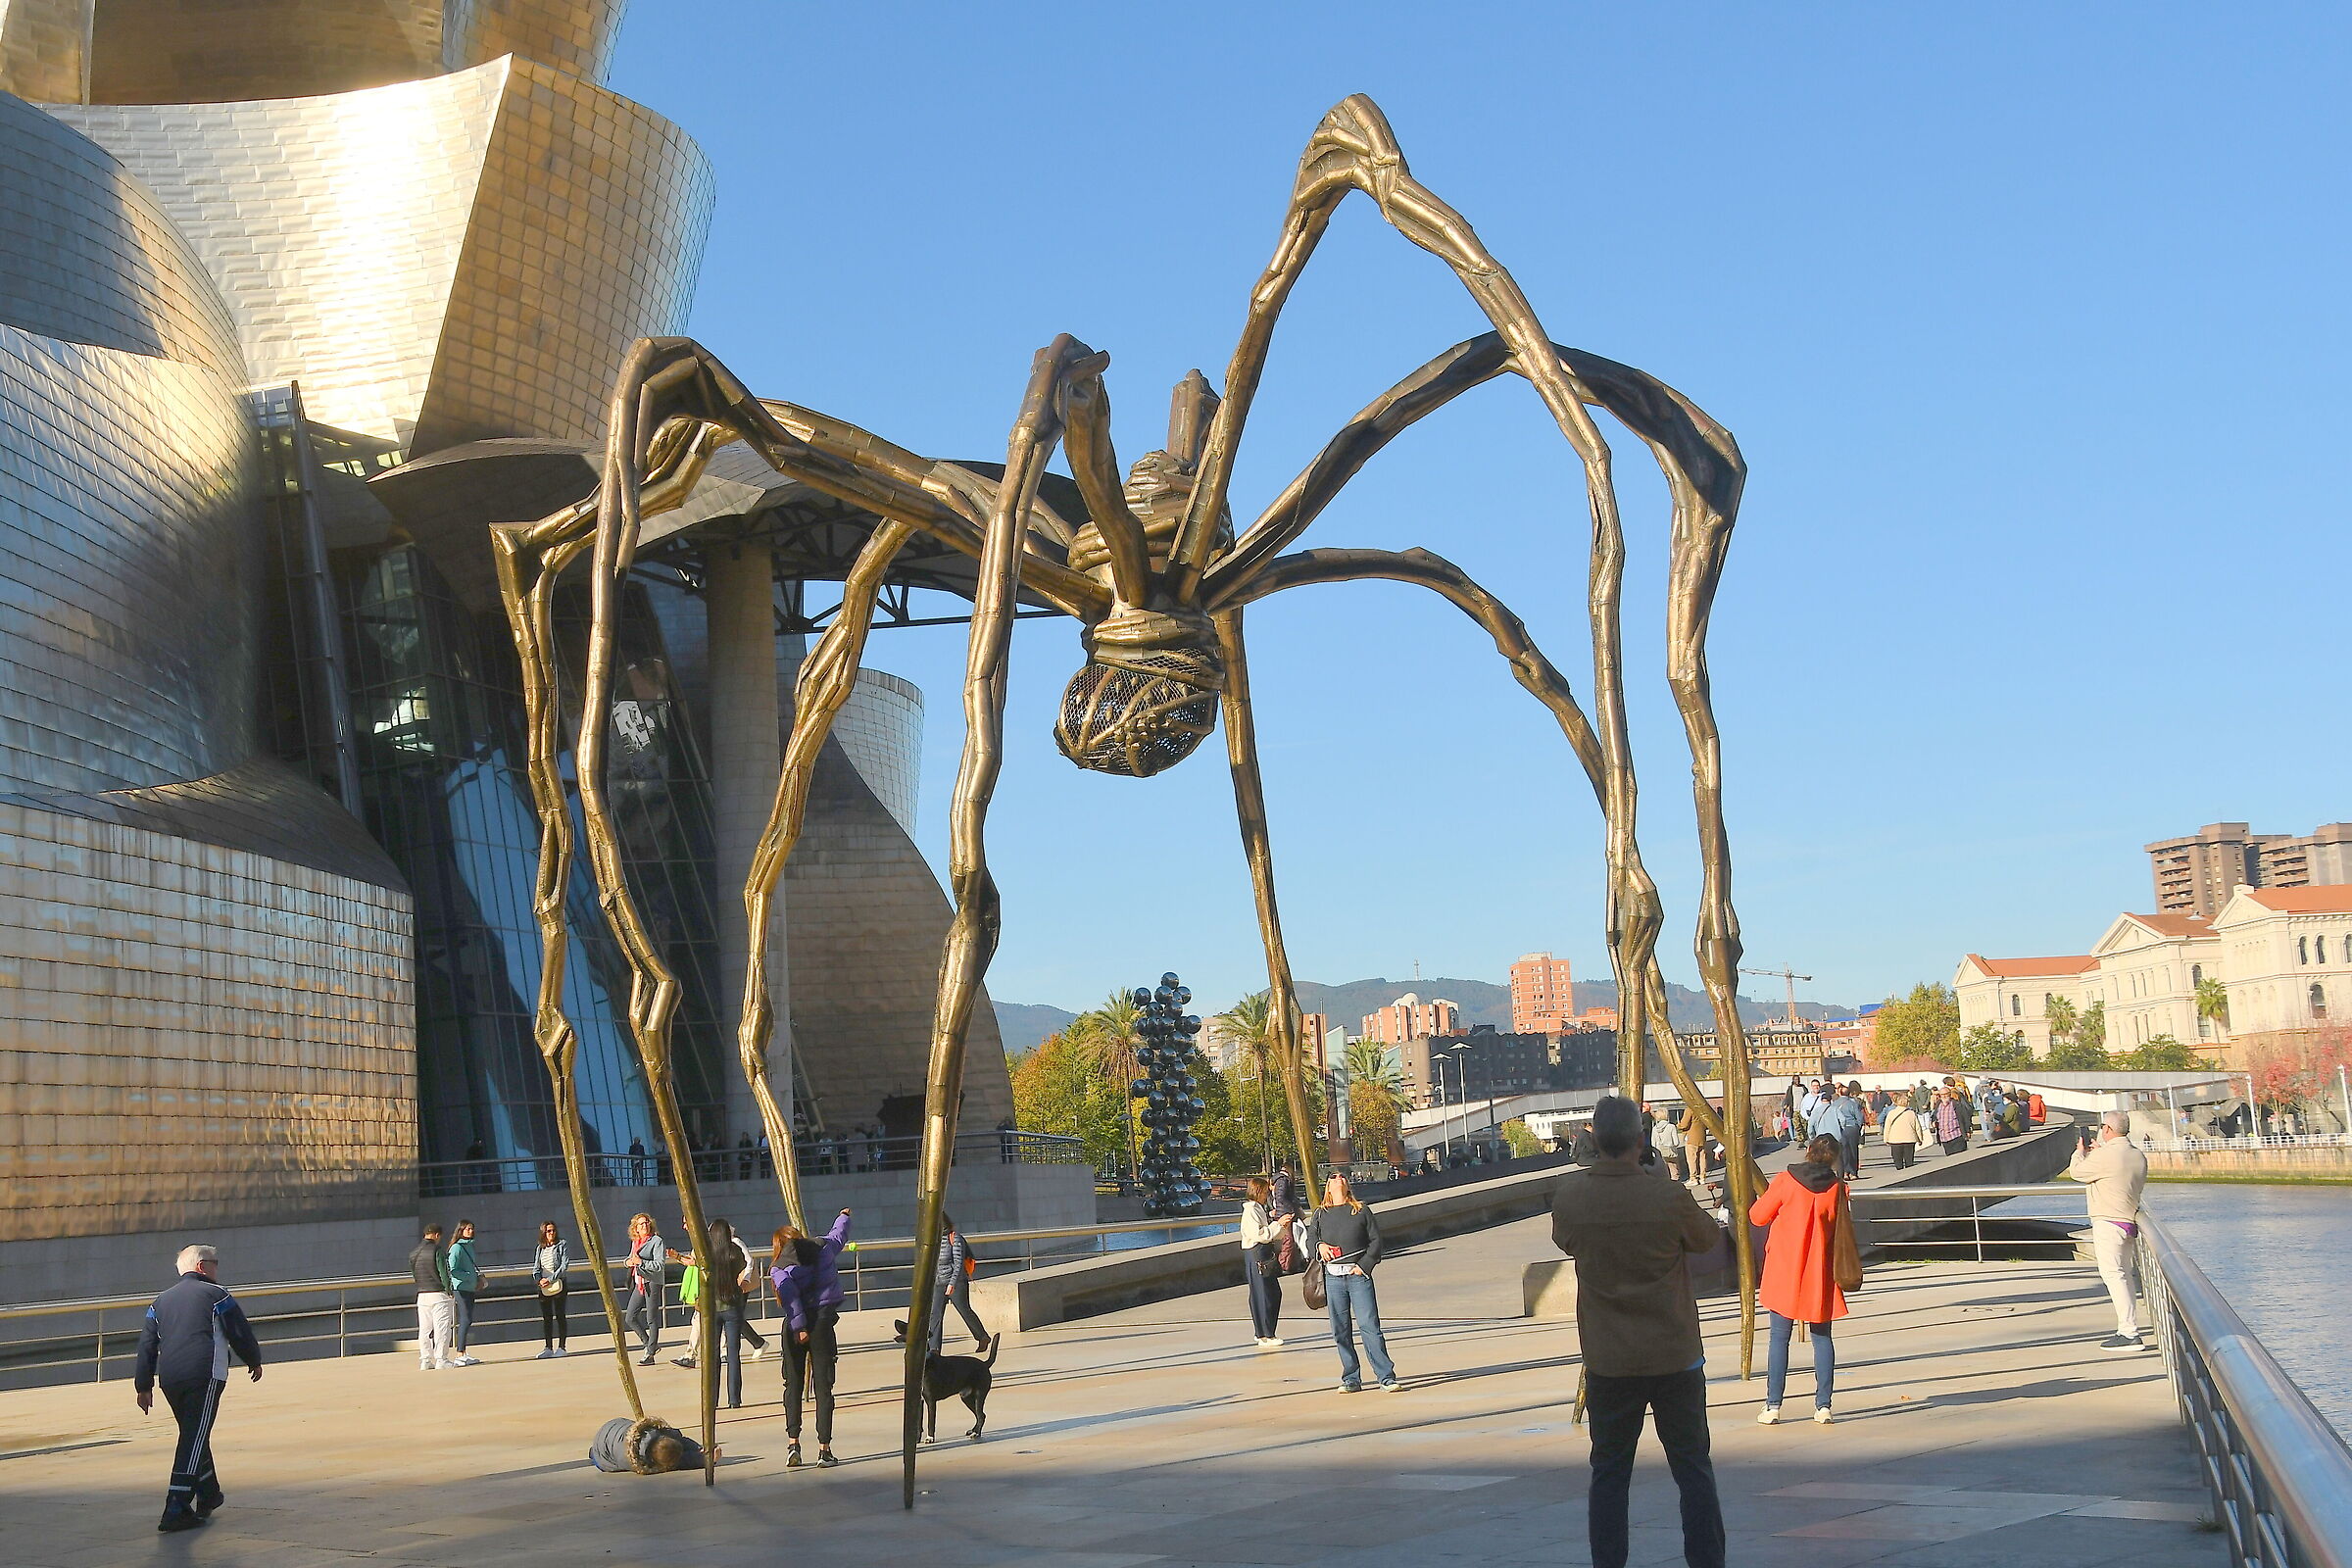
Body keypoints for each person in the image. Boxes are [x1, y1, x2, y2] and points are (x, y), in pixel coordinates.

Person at [1549, 1097, 1725, 1568]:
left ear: (1593, 1137)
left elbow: (1565, 1239)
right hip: (1674, 1353)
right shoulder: (1666, 1197)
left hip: (1609, 1358)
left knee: (1609, 1474)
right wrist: (1662, 1183)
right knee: (1692, 1470)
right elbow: (1708, 1239)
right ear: (1641, 1140)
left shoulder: (1571, 1197)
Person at [134, 1244, 263, 1533]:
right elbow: (239, 1331)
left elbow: (147, 1345)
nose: (218, 1268)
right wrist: (253, 1359)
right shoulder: (217, 1295)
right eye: (215, 1262)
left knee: (194, 1432)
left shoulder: (160, 1302)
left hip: (170, 1378)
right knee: (193, 1437)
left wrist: (144, 1385)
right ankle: (176, 1505)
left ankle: (209, 1493)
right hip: (204, 1374)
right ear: (202, 1266)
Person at [1748, 1134, 1849, 1425]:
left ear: (1808, 1152)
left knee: (1779, 1338)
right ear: (1833, 1158)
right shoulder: (1837, 1189)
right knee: (1822, 1338)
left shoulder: (1786, 1179)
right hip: (1820, 1271)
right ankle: (1823, 1406)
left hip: (1784, 1269)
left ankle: (1773, 1406)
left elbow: (1757, 1216)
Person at [772, 1209, 853, 1468]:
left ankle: (793, 1444)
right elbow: (838, 1235)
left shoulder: (779, 1267)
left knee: (792, 1385)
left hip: (796, 1328)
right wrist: (842, 1216)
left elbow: (790, 1297)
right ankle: (824, 1449)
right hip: (822, 1323)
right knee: (824, 1387)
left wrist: (798, 1327)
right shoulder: (822, 1247)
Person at [2069, 1111, 2150, 1351]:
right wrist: (2099, 1152)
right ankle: (2128, 1327)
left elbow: (2076, 1172)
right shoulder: (2136, 1154)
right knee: (2123, 1275)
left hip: (2108, 1221)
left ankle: (2128, 1332)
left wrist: (2080, 1153)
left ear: (2107, 1129)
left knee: (2113, 1276)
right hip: (2128, 1220)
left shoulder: (2105, 1155)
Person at [1311, 1174, 1396, 1393]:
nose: (1338, 1178)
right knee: (1340, 1329)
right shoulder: (1321, 1214)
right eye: (1333, 1177)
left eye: (1342, 1176)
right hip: (1333, 1278)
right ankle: (1351, 1377)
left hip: (1358, 1276)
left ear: (1347, 1185)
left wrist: (1364, 1265)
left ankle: (1385, 1376)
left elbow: (1376, 1241)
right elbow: (1311, 1239)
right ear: (1328, 1186)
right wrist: (1319, 1246)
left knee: (1369, 1326)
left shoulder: (1361, 1210)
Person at [930, 1214, 991, 1352]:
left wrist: (952, 1284)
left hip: (957, 1282)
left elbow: (958, 1264)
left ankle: (982, 1336)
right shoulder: (934, 1240)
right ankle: (934, 1348)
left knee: (964, 1311)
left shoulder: (955, 1238)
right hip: (939, 1283)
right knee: (935, 1315)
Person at [1240, 1175, 1284, 1347]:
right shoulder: (1251, 1210)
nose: (1267, 1195)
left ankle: (1264, 1333)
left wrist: (1279, 1225)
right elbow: (1259, 1234)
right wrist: (1278, 1224)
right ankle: (1266, 1334)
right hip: (1257, 1253)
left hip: (1261, 1253)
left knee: (1268, 1292)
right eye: (1265, 1192)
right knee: (1265, 1294)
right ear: (1258, 1192)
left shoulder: (1257, 1209)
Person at [590, 1414, 708, 1475]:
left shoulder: (653, 1431)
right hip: (602, 1451)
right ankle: (592, 1453)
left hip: (613, 1427)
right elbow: (680, 1462)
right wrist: (703, 1459)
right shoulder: (633, 1460)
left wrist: (698, 1448)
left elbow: (678, 1438)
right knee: (599, 1459)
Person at [409, 1223, 456, 1370]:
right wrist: (449, 1290)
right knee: (442, 1328)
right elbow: (444, 1273)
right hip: (438, 1294)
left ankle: (425, 1360)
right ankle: (441, 1359)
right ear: (436, 1235)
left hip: (422, 1294)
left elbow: (414, 1275)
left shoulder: (413, 1253)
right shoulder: (437, 1250)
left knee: (424, 1329)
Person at [623, 1212, 664, 1364]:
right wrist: (627, 1262)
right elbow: (629, 1259)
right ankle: (648, 1343)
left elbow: (659, 1264)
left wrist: (641, 1262)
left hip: (652, 1281)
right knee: (630, 1317)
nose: (644, 1225)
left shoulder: (656, 1241)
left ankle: (650, 1353)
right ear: (635, 1228)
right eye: (640, 1224)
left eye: (646, 1222)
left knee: (651, 1318)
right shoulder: (636, 1242)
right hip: (639, 1282)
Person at [530, 1219, 570, 1357]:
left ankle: (562, 1347)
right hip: (544, 1287)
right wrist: (539, 1280)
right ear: (543, 1233)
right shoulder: (540, 1248)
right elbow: (536, 1268)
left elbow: (564, 1266)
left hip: (558, 1284)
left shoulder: (561, 1244)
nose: (551, 1233)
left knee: (560, 1315)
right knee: (547, 1317)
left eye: (553, 1230)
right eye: (548, 1231)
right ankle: (548, 1347)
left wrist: (550, 1279)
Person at [445, 1219, 482, 1366]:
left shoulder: (470, 1246)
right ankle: (460, 1353)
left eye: (472, 1229)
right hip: (460, 1287)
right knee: (465, 1319)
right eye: (467, 1229)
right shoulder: (456, 1248)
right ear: (460, 1230)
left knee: (469, 1319)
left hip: (469, 1287)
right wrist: (469, 1276)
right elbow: (453, 1269)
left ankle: (464, 1353)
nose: (470, 1231)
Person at [1880, 1090, 1922, 1171]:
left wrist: (1886, 1139)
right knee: (1909, 1160)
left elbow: (1887, 1127)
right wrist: (1920, 1138)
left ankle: (1900, 1173)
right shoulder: (1911, 1113)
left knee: (1898, 1161)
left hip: (1895, 1140)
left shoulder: (1891, 1113)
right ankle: (1909, 1174)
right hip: (1909, 1140)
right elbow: (1917, 1127)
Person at [1931, 1086, 1968, 1156]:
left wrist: (1967, 1131)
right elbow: (1934, 1116)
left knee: (1960, 1158)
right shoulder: (1939, 1105)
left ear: (1950, 1094)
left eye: (1946, 1094)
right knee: (1950, 1160)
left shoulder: (1956, 1104)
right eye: (1942, 1094)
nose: (1944, 1096)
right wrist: (1933, 1122)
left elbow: (1964, 1117)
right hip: (1944, 1138)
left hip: (1956, 1136)